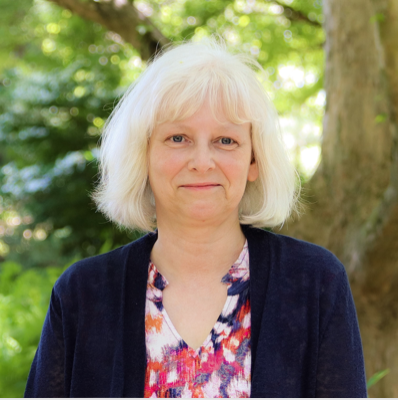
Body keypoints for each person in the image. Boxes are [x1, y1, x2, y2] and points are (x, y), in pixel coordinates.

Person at [24, 37, 367, 398]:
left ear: (254, 160)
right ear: (143, 155)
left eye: (226, 141)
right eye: (178, 138)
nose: (202, 161)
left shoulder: (316, 283)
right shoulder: (82, 295)